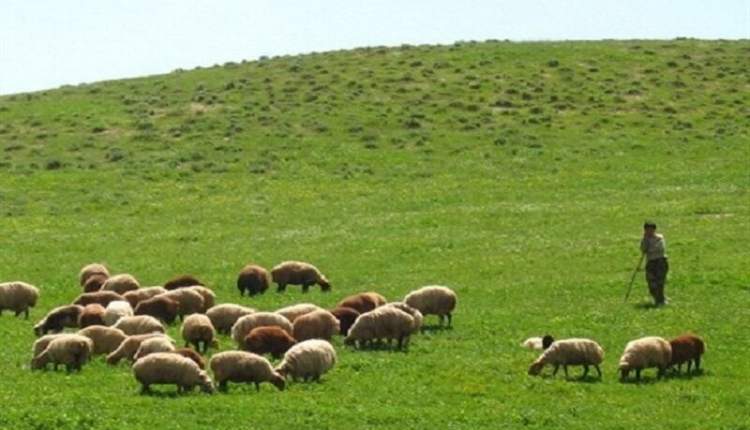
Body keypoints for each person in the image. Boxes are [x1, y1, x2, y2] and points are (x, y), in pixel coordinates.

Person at [640, 221, 669, 306]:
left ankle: (661, 300)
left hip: (660, 262)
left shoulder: (659, 238)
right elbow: (643, 249)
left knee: (660, 282)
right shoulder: (645, 239)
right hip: (650, 262)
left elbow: (660, 248)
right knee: (651, 282)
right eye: (647, 230)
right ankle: (657, 298)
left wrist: (649, 249)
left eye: (651, 230)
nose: (649, 232)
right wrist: (645, 241)